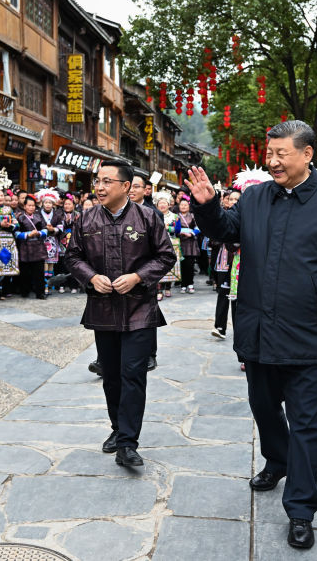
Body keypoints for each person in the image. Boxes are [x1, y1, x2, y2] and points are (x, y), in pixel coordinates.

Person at [189, 120, 317, 550]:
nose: (273, 162)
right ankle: (277, 458)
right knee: (263, 407)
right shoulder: (254, 197)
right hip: (258, 330)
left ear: (307, 154)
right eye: (270, 155)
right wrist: (208, 207)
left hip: (311, 336)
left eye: (281, 154)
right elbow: (225, 231)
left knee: (307, 424)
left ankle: (302, 508)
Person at [65, 160, 176, 469]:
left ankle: (128, 443)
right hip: (103, 309)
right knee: (111, 375)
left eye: (107, 181)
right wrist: (90, 277)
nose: (99, 187)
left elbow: (166, 255)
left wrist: (138, 277)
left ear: (126, 186)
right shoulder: (85, 219)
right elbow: (72, 256)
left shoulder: (148, 218)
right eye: (97, 181)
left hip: (140, 308)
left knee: (132, 374)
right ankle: (117, 428)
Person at [210, 189, 241, 339]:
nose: (234, 202)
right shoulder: (221, 216)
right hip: (224, 260)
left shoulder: (245, 217)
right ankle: (220, 326)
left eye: (237, 199)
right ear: (226, 200)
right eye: (231, 199)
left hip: (240, 263)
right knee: (223, 293)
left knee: (237, 298)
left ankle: (239, 332)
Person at [15, 196, 47, 299]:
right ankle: (25, 291)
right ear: (24, 206)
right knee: (25, 271)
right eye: (29, 205)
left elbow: (46, 230)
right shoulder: (20, 218)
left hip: (38, 246)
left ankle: (40, 292)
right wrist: (28, 234)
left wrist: (39, 233)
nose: (31, 207)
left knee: (39, 271)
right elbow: (16, 233)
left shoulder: (39, 217)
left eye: (33, 206)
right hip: (25, 246)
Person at [153, 192, 181, 301]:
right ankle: (159, 290)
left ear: (169, 204)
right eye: (160, 203)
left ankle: (168, 287)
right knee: (158, 266)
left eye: (165, 203)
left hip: (172, 243)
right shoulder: (153, 215)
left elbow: (178, 230)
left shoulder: (175, 217)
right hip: (157, 244)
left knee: (170, 266)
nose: (162, 205)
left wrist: (167, 228)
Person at [176, 196, 201, 293]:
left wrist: (191, 233)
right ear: (179, 206)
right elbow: (174, 228)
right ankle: (183, 284)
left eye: (185, 205)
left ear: (188, 206)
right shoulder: (176, 217)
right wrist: (180, 232)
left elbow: (198, 227)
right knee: (182, 265)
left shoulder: (193, 216)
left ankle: (190, 284)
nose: (183, 206)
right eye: (181, 205)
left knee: (190, 265)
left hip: (191, 243)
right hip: (180, 242)